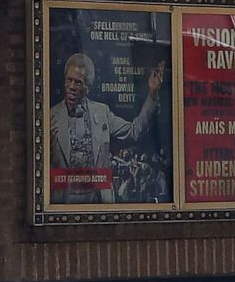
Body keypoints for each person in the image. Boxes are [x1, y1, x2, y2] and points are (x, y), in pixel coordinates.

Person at [50, 52, 164, 204]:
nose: (71, 87)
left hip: (98, 202)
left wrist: (152, 94)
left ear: (88, 87)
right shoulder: (50, 116)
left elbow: (134, 132)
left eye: (78, 83)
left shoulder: (102, 113)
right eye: (68, 80)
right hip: (63, 203)